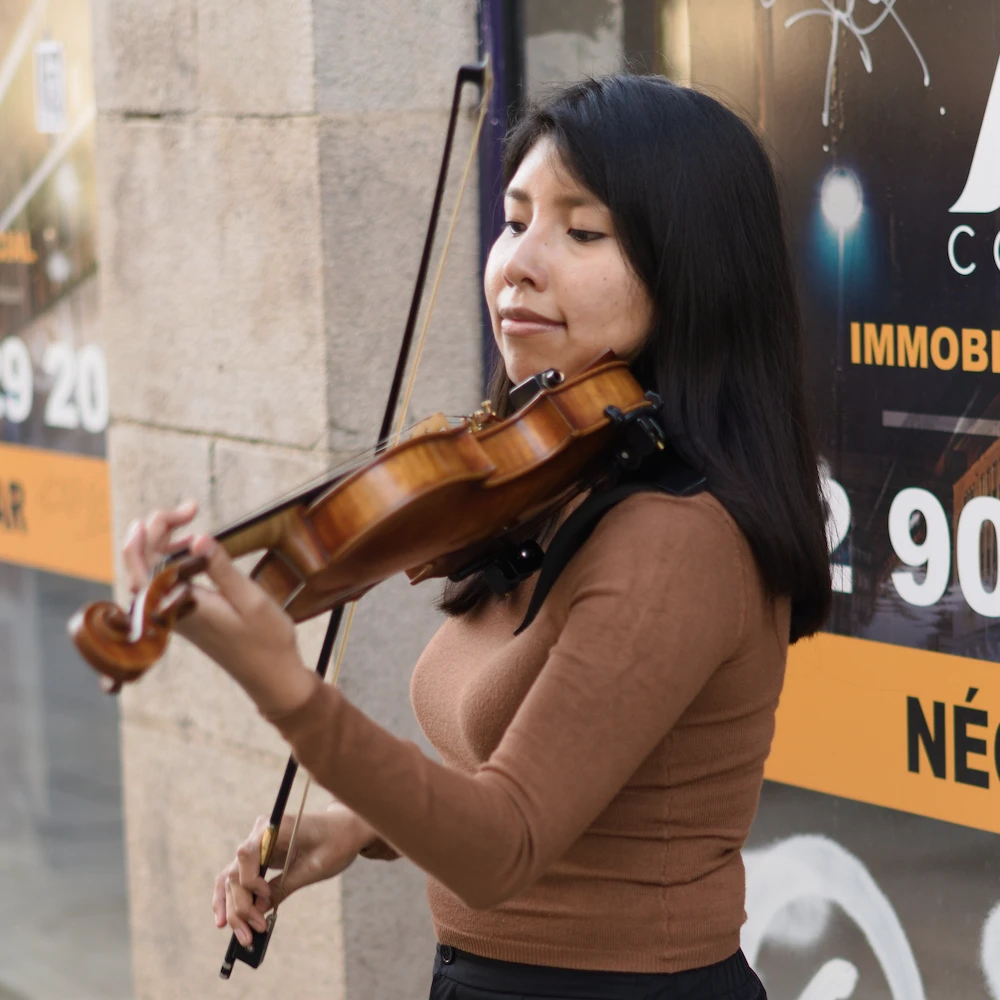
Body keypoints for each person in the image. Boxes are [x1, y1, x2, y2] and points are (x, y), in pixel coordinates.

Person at [124, 75, 832, 1000]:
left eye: (582, 232)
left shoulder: (678, 538)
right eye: (513, 220)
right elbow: (538, 773)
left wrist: (286, 688)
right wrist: (354, 827)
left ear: (691, 269)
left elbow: (508, 844)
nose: (517, 264)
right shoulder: (560, 486)